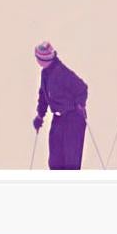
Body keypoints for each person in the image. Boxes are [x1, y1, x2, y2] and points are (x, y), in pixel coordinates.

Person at [32, 41, 89, 170]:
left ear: (44, 59)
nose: (36, 60)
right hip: (58, 119)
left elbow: (82, 88)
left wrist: (80, 104)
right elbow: (43, 95)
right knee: (55, 161)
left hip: (73, 119)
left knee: (70, 161)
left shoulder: (62, 72)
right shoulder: (45, 73)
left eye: (37, 57)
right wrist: (40, 116)